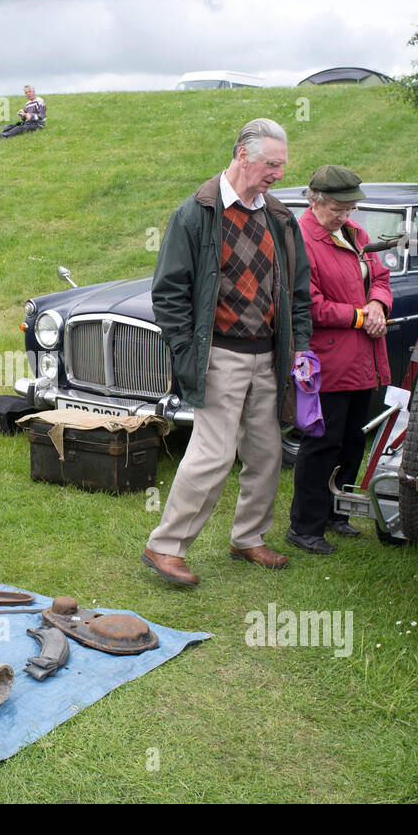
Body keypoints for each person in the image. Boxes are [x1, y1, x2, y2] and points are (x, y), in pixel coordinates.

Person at [141, 118, 312, 585]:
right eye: (271, 164)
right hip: (218, 354)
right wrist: (185, 350)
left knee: (266, 452)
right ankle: (166, 547)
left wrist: (301, 350)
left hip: (269, 357)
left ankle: (249, 538)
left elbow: (298, 294)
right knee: (213, 453)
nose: (278, 174)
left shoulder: (279, 218)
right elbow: (169, 293)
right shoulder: (195, 213)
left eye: (282, 165)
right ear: (243, 155)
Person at [287, 166, 391, 553]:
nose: (345, 215)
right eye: (337, 208)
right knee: (321, 443)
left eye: (351, 207)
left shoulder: (357, 235)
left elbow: (380, 276)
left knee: (352, 440)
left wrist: (379, 303)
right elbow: (308, 303)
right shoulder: (301, 240)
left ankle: (337, 513)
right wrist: (361, 316)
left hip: (362, 359)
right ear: (313, 200)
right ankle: (305, 526)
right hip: (324, 362)